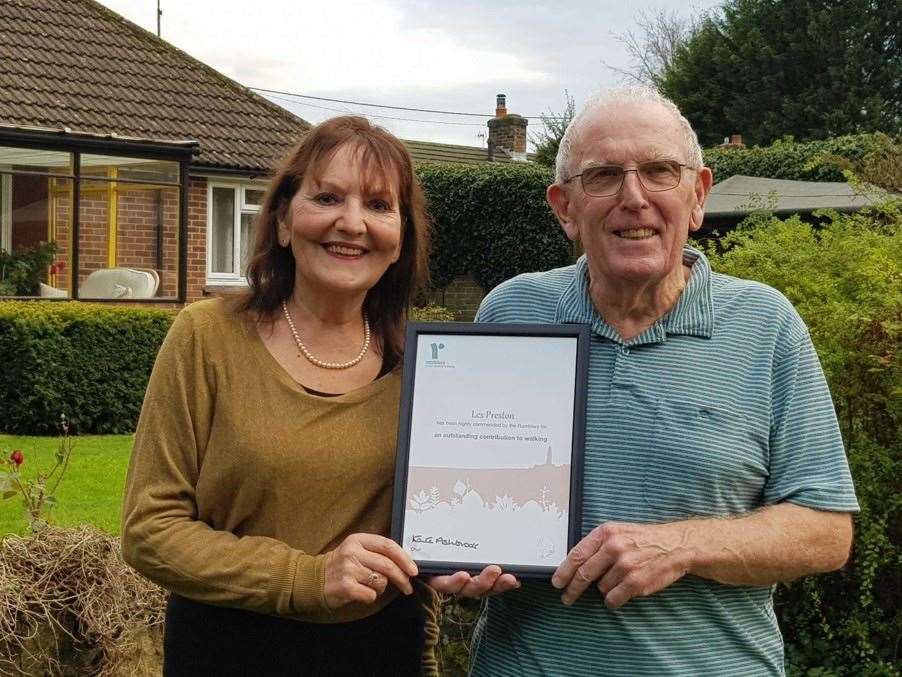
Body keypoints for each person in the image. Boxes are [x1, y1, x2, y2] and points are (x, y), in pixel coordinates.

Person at [432, 87, 858, 676]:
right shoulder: (513, 312)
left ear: (697, 195)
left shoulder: (767, 326)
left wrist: (681, 547)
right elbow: (468, 489)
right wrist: (456, 550)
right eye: (604, 176)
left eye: (659, 172)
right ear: (565, 207)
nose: (634, 198)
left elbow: (827, 532)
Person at [121, 116, 439, 676]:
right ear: (285, 222)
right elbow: (150, 530)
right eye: (327, 197)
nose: (352, 223)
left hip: (382, 652)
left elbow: (436, 532)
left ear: (400, 242)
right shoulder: (207, 337)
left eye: (379, 205)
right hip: (227, 652)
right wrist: (307, 579)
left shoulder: (428, 366)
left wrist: (469, 562)